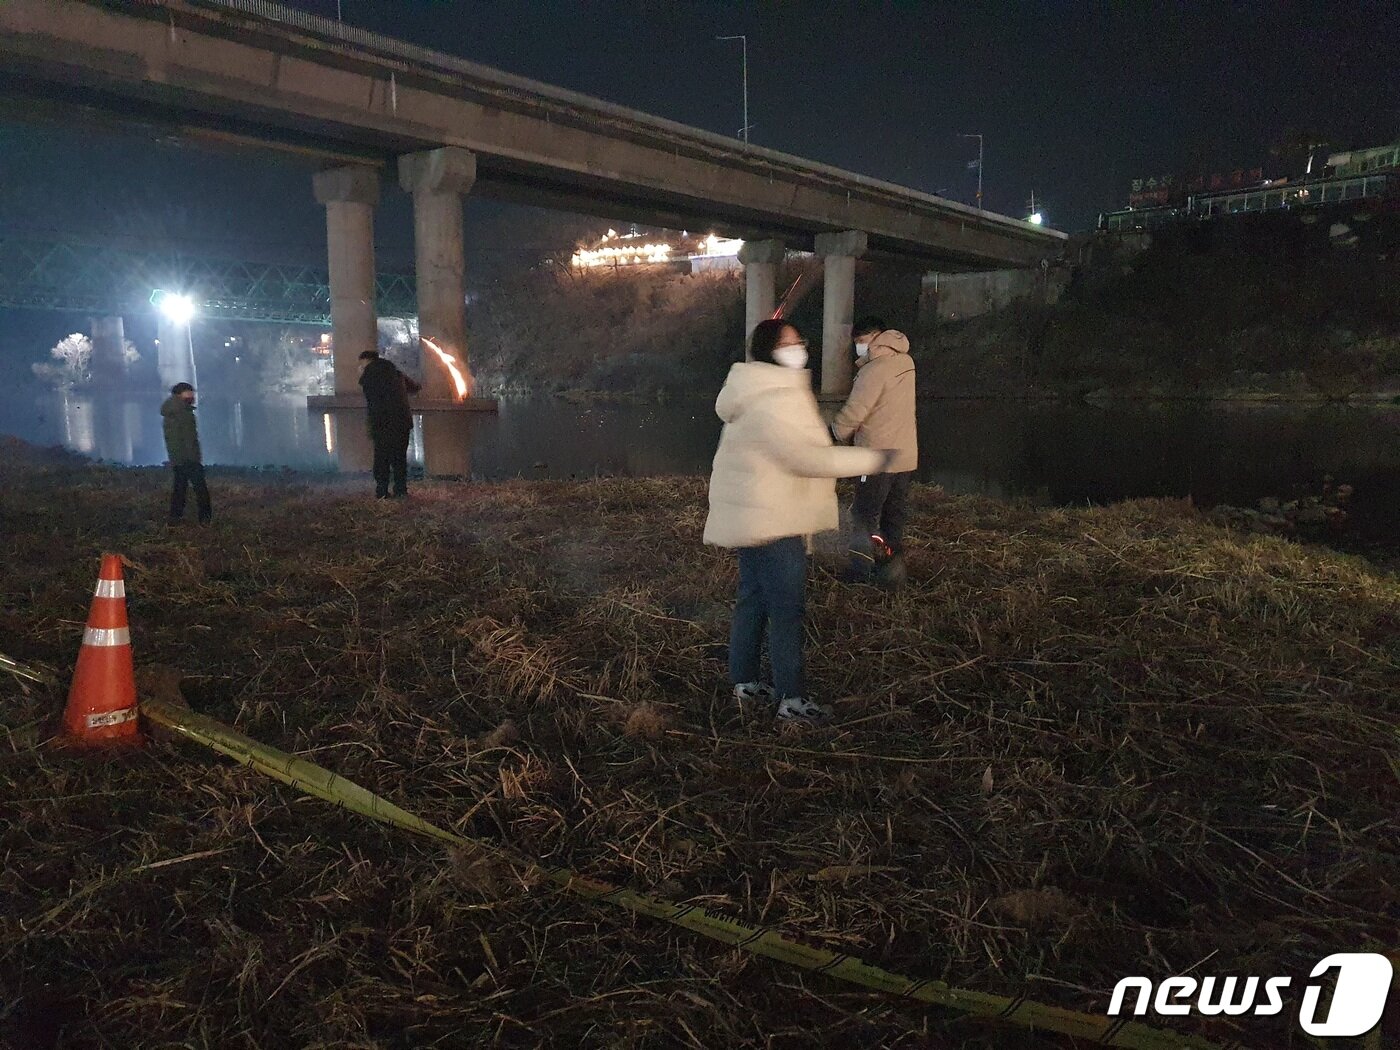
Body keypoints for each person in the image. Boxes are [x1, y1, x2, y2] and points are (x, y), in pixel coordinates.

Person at [704, 319, 892, 724]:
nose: (799, 348)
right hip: (775, 519)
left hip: (753, 514)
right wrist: (876, 459)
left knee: (752, 600)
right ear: (770, 351)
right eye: (790, 343)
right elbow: (807, 459)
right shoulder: (774, 396)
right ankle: (792, 700)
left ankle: (746, 684)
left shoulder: (750, 391)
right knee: (787, 610)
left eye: (799, 341)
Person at [832, 315, 918, 587]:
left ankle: (859, 570)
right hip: (904, 455)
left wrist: (834, 433)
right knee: (894, 514)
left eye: (861, 341)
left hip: (876, 457)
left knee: (863, 515)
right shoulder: (906, 362)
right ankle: (893, 569)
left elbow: (856, 411)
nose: (859, 347)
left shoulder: (874, 370)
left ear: (875, 337)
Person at [358, 349, 421, 499]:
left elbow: (370, 394)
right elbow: (415, 388)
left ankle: (382, 491)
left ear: (366, 361)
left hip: (382, 423)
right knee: (399, 458)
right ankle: (401, 491)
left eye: (361, 364)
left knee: (382, 458)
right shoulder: (396, 372)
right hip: (402, 422)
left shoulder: (370, 374)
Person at [160, 382, 211, 525]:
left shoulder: (175, 411)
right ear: (180, 394)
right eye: (189, 392)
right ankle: (205, 518)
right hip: (188, 458)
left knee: (180, 488)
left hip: (179, 458)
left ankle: (175, 517)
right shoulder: (181, 413)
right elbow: (186, 438)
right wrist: (193, 458)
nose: (192, 395)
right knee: (200, 489)